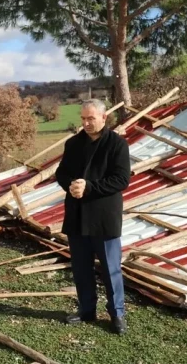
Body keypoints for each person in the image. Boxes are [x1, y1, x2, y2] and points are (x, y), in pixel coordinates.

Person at [54, 99, 131, 335]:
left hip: (103, 216)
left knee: (110, 269)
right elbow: (62, 173)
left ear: (104, 117)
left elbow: (121, 180)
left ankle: (117, 314)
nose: (86, 123)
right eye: (83, 119)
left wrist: (89, 187)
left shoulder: (117, 145)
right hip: (77, 215)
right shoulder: (73, 144)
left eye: (91, 118)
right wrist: (71, 185)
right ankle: (87, 310)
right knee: (81, 268)